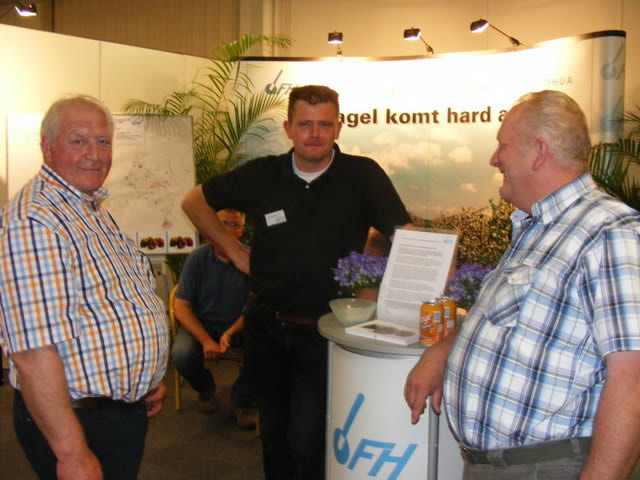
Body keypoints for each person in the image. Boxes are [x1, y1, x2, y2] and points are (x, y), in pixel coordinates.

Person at [405, 90, 640, 480]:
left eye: (503, 145)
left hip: (548, 468)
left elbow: (633, 380)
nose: (494, 158)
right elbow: (510, 320)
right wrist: (444, 350)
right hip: (500, 466)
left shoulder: (610, 233)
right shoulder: (538, 227)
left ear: (539, 151)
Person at [181, 85, 411, 480]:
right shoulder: (263, 175)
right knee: (273, 436)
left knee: (308, 440)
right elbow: (193, 201)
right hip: (266, 326)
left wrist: (422, 268)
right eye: (305, 124)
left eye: (324, 124)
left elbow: (402, 233)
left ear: (338, 127)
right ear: (288, 128)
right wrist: (233, 250)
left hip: (326, 332)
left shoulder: (362, 175)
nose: (315, 134)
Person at [0, 95, 169, 480]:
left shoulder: (89, 210)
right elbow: (33, 353)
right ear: (47, 146)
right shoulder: (35, 221)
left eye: (103, 141)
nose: (94, 154)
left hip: (113, 412)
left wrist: (142, 381)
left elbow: (115, 302)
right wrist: (72, 454)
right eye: (78, 141)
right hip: (77, 422)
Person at [171, 208, 256, 427]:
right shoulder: (197, 259)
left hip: (239, 327)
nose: (227, 230)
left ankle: (242, 400)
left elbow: (256, 306)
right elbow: (181, 306)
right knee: (181, 355)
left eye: (234, 224)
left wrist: (231, 331)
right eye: (222, 223)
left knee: (267, 348)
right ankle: (205, 388)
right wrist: (205, 339)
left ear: (241, 230)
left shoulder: (250, 259)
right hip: (202, 326)